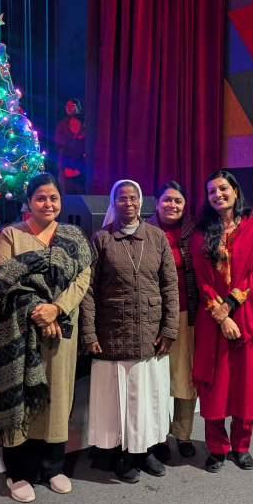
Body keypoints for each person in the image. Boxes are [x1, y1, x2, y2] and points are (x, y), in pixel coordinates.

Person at [0, 173, 95, 502]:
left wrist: (57, 309)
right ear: (29, 202)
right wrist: (39, 311)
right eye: (41, 198)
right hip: (19, 333)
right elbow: (3, 280)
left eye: (54, 198)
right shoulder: (12, 236)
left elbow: (83, 277)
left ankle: (53, 467)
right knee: (22, 396)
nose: (48, 204)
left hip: (61, 330)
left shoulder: (73, 236)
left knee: (57, 396)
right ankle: (19, 473)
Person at [80, 180, 179, 483]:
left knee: (146, 398)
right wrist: (89, 334)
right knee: (117, 401)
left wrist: (169, 329)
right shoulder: (101, 239)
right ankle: (119, 453)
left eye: (133, 198)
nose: (128, 203)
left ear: (140, 202)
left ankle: (143, 451)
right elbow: (88, 291)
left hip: (150, 333)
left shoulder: (157, 237)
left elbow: (170, 286)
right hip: (112, 333)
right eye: (121, 198)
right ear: (113, 203)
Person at [190, 170, 253, 473]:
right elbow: (201, 278)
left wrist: (230, 305)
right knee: (214, 384)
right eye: (211, 191)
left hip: (248, 315)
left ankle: (242, 445)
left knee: (245, 383)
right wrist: (221, 315)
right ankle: (216, 447)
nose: (217, 195)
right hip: (212, 318)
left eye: (223, 188)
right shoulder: (201, 232)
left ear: (235, 191)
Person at [146, 181, 198, 458]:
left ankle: (183, 434)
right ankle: (160, 437)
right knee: (157, 379)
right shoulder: (144, 231)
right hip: (154, 315)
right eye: (167, 200)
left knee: (185, 377)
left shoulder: (196, 230)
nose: (172, 205)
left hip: (188, 313)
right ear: (156, 203)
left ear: (185, 205)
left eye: (178, 200)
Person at [58, 113, 86, 195]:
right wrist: (66, 168)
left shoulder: (87, 141)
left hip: (82, 178)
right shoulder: (69, 141)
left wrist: (77, 171)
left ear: (83, 124)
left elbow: (87, 159)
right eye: (71, 125)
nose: (73, 127)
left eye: (76, 123)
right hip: (69, 178)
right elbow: (64, 156)